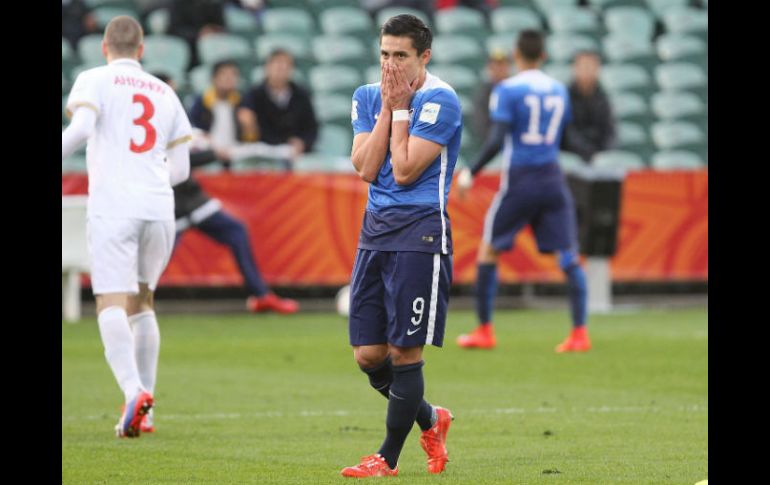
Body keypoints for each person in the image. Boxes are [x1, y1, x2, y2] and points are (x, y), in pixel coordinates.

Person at [341, 14, 461, 478]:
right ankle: (432, 418)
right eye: (384, 54)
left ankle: (386, 457)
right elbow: (367, 168)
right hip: (375, 230)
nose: (390, 65)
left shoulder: (441, 100)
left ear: (423, 57)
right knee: (369, 355)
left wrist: (404, 108)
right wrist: (390, 107)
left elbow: (407, 169)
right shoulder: (367, 96)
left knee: (405, 352)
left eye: (401, 56)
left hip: (421, 232)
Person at [61, 16, 192, 438]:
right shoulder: (165, 92)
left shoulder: (94, 78)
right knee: (143, 302)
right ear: (141, 51)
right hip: (158, 206)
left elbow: (80, 128)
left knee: (110, 303)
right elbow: (182, 168)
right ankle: (147, 410)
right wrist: (148, 181)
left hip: (115, 205)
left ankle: (133, 390)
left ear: (104, 47)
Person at [455, 30, 591, 353]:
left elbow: (497, 139)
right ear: (543, 56)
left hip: (521, 179)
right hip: (553, 177)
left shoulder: (507, 90)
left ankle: (485, 329)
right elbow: (565, 137)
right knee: (568, 256)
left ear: (517, 55)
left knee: (489, 250)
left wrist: (469, 172)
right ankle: (579, 333)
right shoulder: (559, 89)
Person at [156, 73, 300, 315]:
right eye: (169, 91)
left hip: (190, 200)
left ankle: (262, 295)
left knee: (236, 231)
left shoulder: (171, 120)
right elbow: (172, 159)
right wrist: (211, 153)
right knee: (156, 258)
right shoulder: (154, 123)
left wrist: (206, 147)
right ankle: (129, 297)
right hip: (168, 203)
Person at [242, 49, 318, 166]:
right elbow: (253, 127)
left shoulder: (301, 95)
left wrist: (303, 142)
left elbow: (311, 126)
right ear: (267, 67)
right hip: (265, 152)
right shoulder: (254, 95)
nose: (281, 69)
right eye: (277, 65)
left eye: (286, 65)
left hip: (295, 153)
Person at [560, 50, 616, 163]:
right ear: (575, 68)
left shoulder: (603, 98)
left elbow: (610, 131)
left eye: (591, 66)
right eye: (584, 66)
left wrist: (603, 154)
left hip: (599, 157)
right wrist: (590, 153)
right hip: (571, 156)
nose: (587, 70)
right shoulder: (565, 97)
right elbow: (568, 133)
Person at [471, 49, 512, 142]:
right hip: (490, 143)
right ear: (489, 67)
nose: (499, 68)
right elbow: (480, 123)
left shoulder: (516, 89)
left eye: (502, 65)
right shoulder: (483, 92)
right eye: (495, 65)